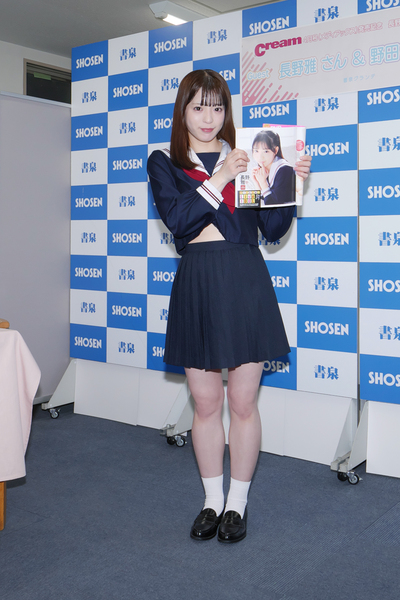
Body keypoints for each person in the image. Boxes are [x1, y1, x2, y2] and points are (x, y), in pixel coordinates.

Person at [147, 69, 311, 544]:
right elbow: (179, 220)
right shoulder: (165, 162)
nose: (208, 117)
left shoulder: (249, 156)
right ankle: (211, 500)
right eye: (198, 107)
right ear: (182, 111)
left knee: (242, 402)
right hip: (198, 280)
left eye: (217, 107)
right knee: (205, 403)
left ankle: (237, 503)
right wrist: (221, 175)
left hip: (244, 278)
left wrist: (287, 185)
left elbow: (272, 231)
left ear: (227, 111)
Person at [251, 129, 295, 207]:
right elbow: (261, 201)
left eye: (266, 151)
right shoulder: (262, 170)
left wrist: (263, 183)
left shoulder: (284, 170)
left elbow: (272, 205)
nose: (260, 157)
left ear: (275, 150)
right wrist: (256, 182)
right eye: (256, 151)